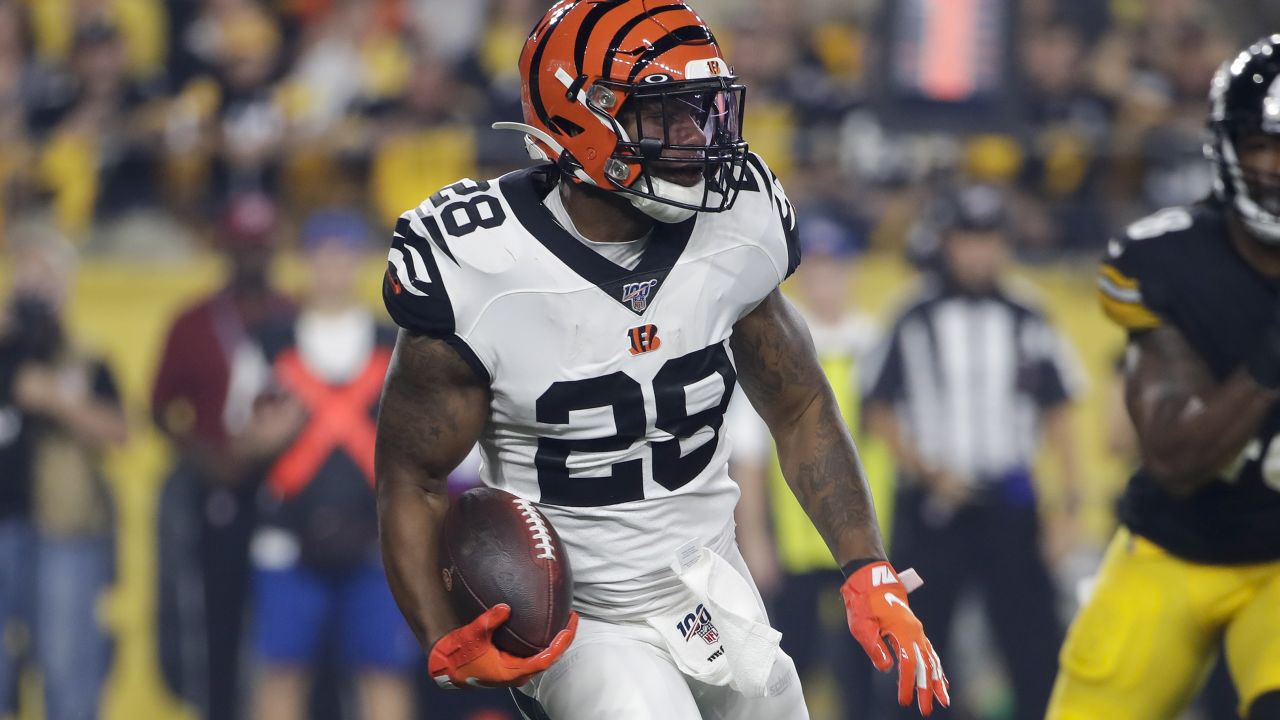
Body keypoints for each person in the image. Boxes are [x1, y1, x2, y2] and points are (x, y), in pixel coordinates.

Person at [374, 2, 948, 718]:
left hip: (714, 588)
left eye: (700, 112)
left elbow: (799, 405)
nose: (694, 137)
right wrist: (442, 637)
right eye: (663, 115)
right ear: (581, 120)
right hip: (583, 621)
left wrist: (868, 570)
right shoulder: (481, 265)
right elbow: (413, 475)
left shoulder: (736, 223)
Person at [1047, 35, 1280, 720]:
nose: (1276, 167)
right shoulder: (1169, 261)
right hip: (1173, 545)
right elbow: (1175, 457)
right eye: (1262, 144)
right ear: (1225, 147)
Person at [862, 183, 1082, 719]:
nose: (980, 252)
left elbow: (1059, 408)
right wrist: (928, 471)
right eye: (968, 239)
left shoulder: (1029, 312)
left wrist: (1069, 507)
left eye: (990, 239)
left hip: (1010, 501)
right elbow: (879, 410)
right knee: (915, 644)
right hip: (935, 507)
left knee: (1034, 647)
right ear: (949, 244)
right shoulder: (913, 312)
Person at [727, 208, 897, 720]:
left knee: (867, 671)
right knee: (794, 661)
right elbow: (750, 452)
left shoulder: (877, 341)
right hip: (798, 541)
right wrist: (755, 538)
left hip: (871, 538)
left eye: (833, 266)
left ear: (848, 270)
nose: (824, 278)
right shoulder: (779, 342)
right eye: (815, 267)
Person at [248, 209, 417, 720]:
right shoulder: (268, 344)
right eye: (322, 253)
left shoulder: (397, 345)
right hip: (285, 539)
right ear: (305, 261)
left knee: (383, 674)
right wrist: (263, 440)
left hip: (376, 539)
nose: (332, 265)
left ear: (360, 261)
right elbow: (238, 441)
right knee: (281, 674)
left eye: (343, 253)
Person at [150, 193, 296, 720]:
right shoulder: (191, 322)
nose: (251, 257)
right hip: (214, 490)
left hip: (285, 489)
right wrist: (203, 455)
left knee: (285, 624)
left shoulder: (294, 317)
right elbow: (161, 407)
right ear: (225, 248)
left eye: (260, 246)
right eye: (242, 246)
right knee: (215, 619)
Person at [0, 226, 128, 720]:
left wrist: (58, 399)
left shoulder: (85, 356)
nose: (32, 284)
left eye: (44, 274)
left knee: (66, 663)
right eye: (23, 271)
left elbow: (119, 431)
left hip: (65, 531)